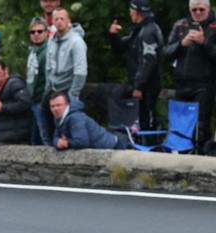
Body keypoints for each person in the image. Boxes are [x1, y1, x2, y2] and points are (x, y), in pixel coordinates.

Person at [162, 0, 216, 153]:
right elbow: (165, 52)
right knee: (179, 125)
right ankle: (180, 154)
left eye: (201, 10)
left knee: (200, 125)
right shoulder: (180, 25)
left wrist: (204, 42)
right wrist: (181, 44)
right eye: (194, 10)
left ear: (208, 9)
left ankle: (200, 156)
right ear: (189, 9)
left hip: (204, 84)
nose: (198, 13)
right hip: (181, 83)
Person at [108, 0, 163, 131]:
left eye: (131, 11)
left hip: (147, 86)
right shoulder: (138, 30)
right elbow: (121, 48)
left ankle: (152, 147)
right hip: (138, 83)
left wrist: (139, 86)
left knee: (147, 120)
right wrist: (113, 35)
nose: (130, 14)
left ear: (137, 13)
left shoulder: (149, 31)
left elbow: (149, 61)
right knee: (140, 120)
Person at [43, 7, 86, 138]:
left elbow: (81, 71)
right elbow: (48, 66)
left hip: (69, 90)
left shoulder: (76, 41)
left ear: (68, 21)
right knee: (51, 126)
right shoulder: (51, 40)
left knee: (70, 128)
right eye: (56, 19)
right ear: (53, 22)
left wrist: (73, 95)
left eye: (62, 18)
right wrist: (48, 89)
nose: (59, 21)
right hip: (54, 89)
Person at [49, 92, 126, 150]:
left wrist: (67, 143)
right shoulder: (58, 118)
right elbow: (55, 137)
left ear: (67, 105)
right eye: (52, 106)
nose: (55, 109)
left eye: (58, 105)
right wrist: (57, 142)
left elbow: (82, 142)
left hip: (113, 147)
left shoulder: (76, 118)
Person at [26, 17, 51, 145]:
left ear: (47, 32)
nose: (36, 34)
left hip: (42, 101)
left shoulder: (48, 51)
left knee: (45, 136)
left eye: (40, 31)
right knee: (34, 138)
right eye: (33, 32)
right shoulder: (32, 50)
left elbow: (49, 80)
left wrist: (43, 103)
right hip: (32, 101)